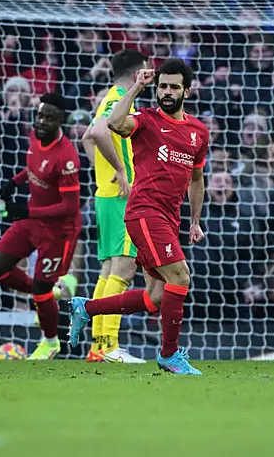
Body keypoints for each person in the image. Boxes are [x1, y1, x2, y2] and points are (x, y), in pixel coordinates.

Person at [69, 60, 209, 375]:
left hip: (170, 219)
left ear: (187, 90)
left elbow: (197, 179)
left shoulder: (198, 132)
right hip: (144, 211)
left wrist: (195, 221)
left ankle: (86, 308)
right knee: (181, 277)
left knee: (156, 296)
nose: (167, 92)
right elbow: (111, 124)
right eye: (162, 86)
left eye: (174, 86)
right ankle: (169, 355)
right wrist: (137, 87)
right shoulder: (144, 120)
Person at [0, 93, 81, 361]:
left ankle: (50, 343)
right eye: (40, 115)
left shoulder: (67, 157)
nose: (42, 122)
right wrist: (14, 182)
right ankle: (49, 292)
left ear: (61, 121)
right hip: (32, 221)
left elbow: (70, 208)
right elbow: (34, 167)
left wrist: (25, 210)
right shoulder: (34, 136)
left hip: (57, 231)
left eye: (49, 118)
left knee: (40, 289)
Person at [80, 49, 148, 364]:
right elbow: (96, 133)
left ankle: (99, 346)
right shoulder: (121, 99)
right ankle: (109, 348)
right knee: (123, 269)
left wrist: (103, 172)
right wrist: (120, 171)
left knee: (109, 270)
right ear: (138, 74)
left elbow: (86, 138)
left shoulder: (111, 96)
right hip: (122, 198)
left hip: (106, 195)